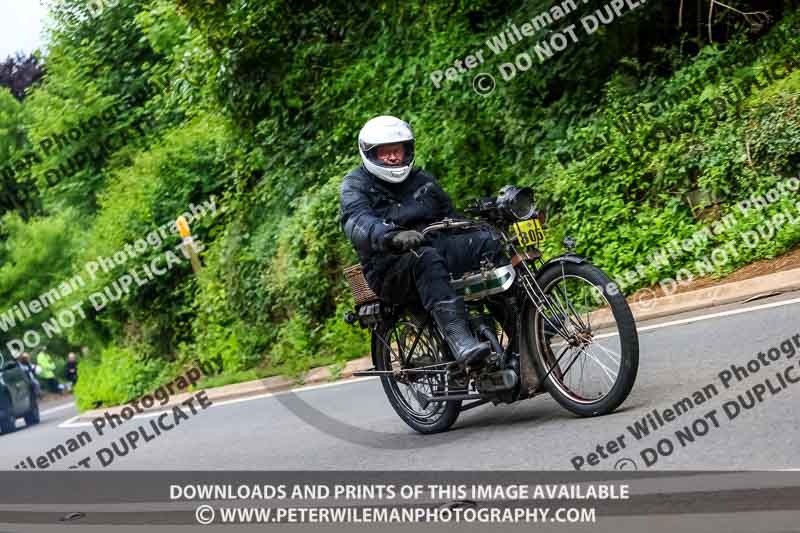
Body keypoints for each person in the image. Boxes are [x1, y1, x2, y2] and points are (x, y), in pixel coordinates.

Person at [339, 115, 506, 367]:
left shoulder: (422, 179)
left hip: (435, 247)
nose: (394, 158)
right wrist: (390, 236)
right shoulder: (355, 185)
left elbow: (449, 216)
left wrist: (482, 225)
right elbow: (357, 222)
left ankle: (524, 327)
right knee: (425, 258)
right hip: (389, 268)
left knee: (486, 243)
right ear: (370, 154)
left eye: (397, 150)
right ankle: (460, 341)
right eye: (386, 153)